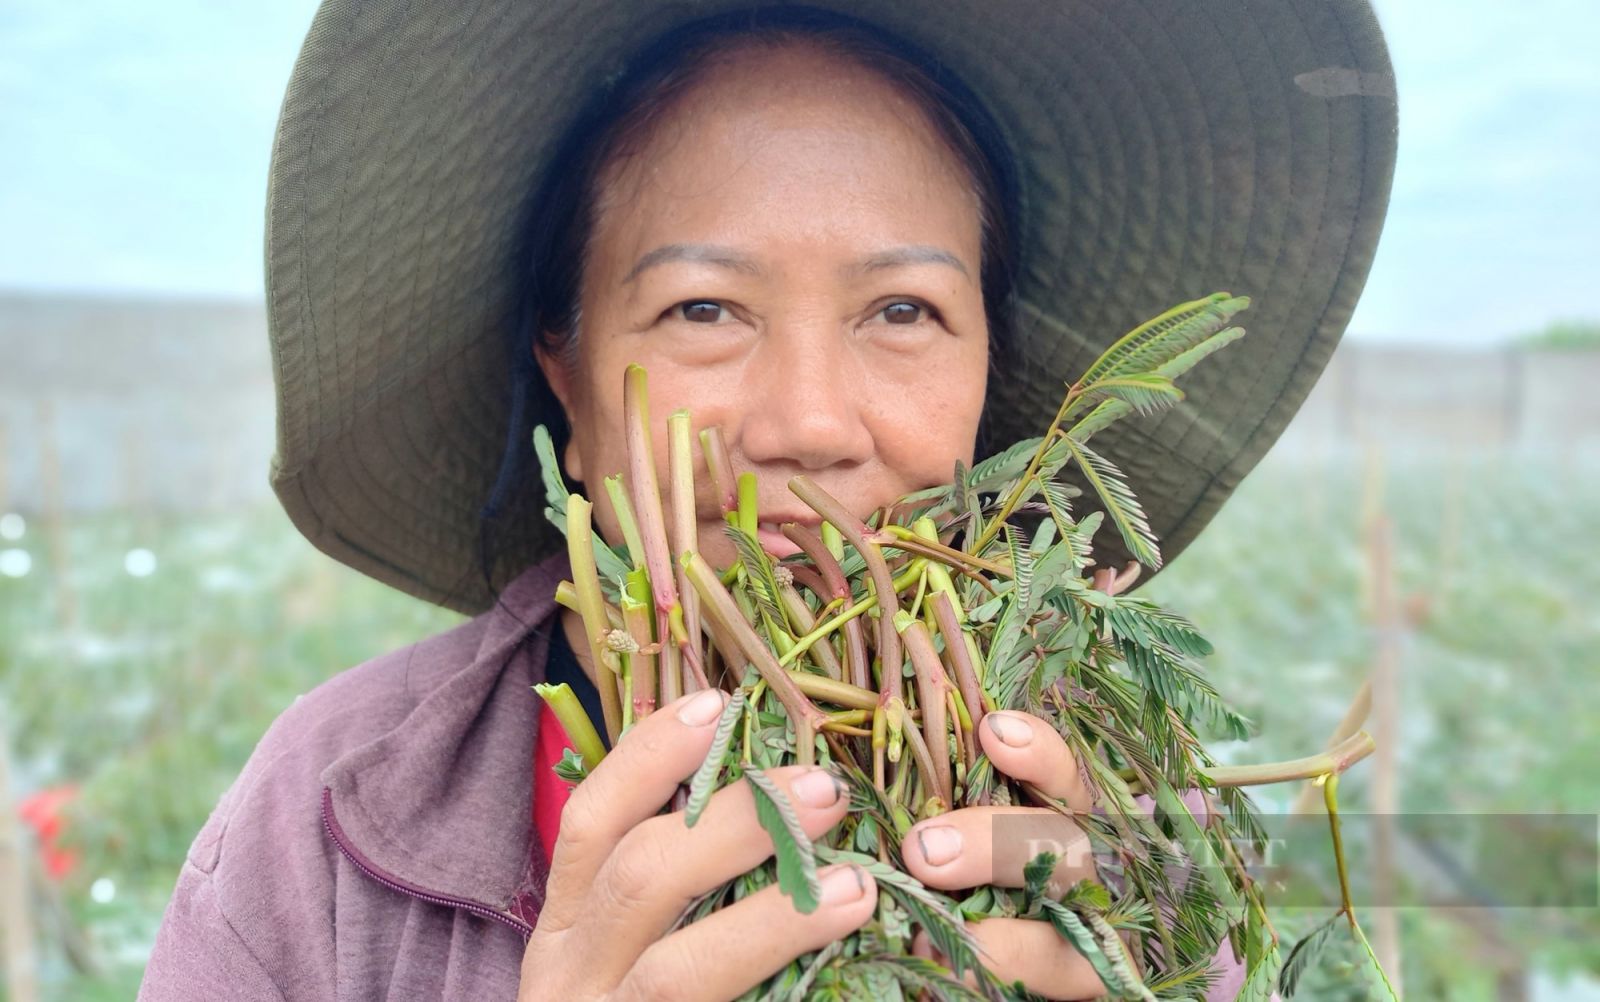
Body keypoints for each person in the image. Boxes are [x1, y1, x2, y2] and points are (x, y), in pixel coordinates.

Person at [139, 3, 1395, 1000]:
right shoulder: (326, 811)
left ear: (984, 381)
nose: (807, 424)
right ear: (566, 380)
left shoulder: (1107, 818)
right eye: (703, 308)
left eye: (903, 312)